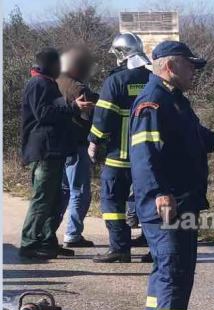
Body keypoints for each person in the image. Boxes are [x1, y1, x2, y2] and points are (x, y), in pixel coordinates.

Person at [130, 40, 214, 310]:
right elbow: (144, 157)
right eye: (191, 66)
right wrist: (160, 192)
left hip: (182, 202)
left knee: (165, 269)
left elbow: (192, 134)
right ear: (171, 67)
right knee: (175, 269)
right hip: (167, 204)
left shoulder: (174, 101)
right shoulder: (152, 103)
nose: (194, 72)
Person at [19, 48, 94, 259]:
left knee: (54, 198)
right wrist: (73, 106)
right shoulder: (38, 83)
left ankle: (46, 240)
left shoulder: (46, 83)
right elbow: (43, 113)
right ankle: (30, 242)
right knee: (42, 198)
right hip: (44, 151)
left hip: (53, 150)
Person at [88, 32, 151, 263]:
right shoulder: (154, 79)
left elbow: (103, 119)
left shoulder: (116, 81)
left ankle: (120, 248)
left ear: (122, 54)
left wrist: (93, 142)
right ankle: (155, 250)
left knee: (112, 201)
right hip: (150, 157)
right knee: (150, 201)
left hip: (119, 157)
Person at [57, 46, 99, 248]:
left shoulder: (56, 81)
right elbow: (92, 114)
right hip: (77, 144)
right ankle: (73, 234)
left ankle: (49, 234)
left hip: (60, 145)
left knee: (64, 190)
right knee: (80, 191)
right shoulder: (79, 89)